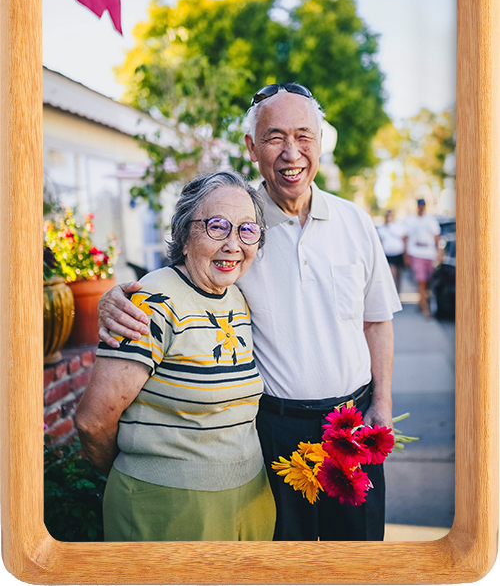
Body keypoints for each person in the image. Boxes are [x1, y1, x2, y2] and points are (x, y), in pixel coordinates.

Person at [98, 82, 402, 542]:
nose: (291, 152)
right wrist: (114, 296)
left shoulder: (355, 221)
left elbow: (377, 319)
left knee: (358, 557)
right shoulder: (237, 224)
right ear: (252, 148)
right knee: (283, 562)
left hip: (353, 424)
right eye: (275, 137)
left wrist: (382, 403)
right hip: (274, 430)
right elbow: (184, 275)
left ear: (320, 142)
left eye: (304, 136)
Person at [75, 171, 276, 541]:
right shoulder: (151, 302)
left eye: (247, 230)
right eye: (217, 226)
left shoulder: (237, 297)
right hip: (166, 511)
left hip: (249, 500)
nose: (233, 244)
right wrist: (139, 473)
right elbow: (92, 422)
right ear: (185, 235)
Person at [403, 198, 441, 318]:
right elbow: (405, 238)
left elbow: (436, 237)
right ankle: (426, 309)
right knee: (421, 281)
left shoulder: (430, 220)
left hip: (429, 253)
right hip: (416, 253)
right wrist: (406, 256)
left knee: (428, 282)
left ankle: (421, 302)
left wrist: (439, 253)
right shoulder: (410, 220)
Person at [377, 209, 405, 293]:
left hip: (399, 253)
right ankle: (393, 293)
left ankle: (398, 293)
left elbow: (404, 238)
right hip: (389, 254)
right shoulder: (382, 228)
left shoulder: (398, 226)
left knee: (399, 275)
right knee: (392, 275)